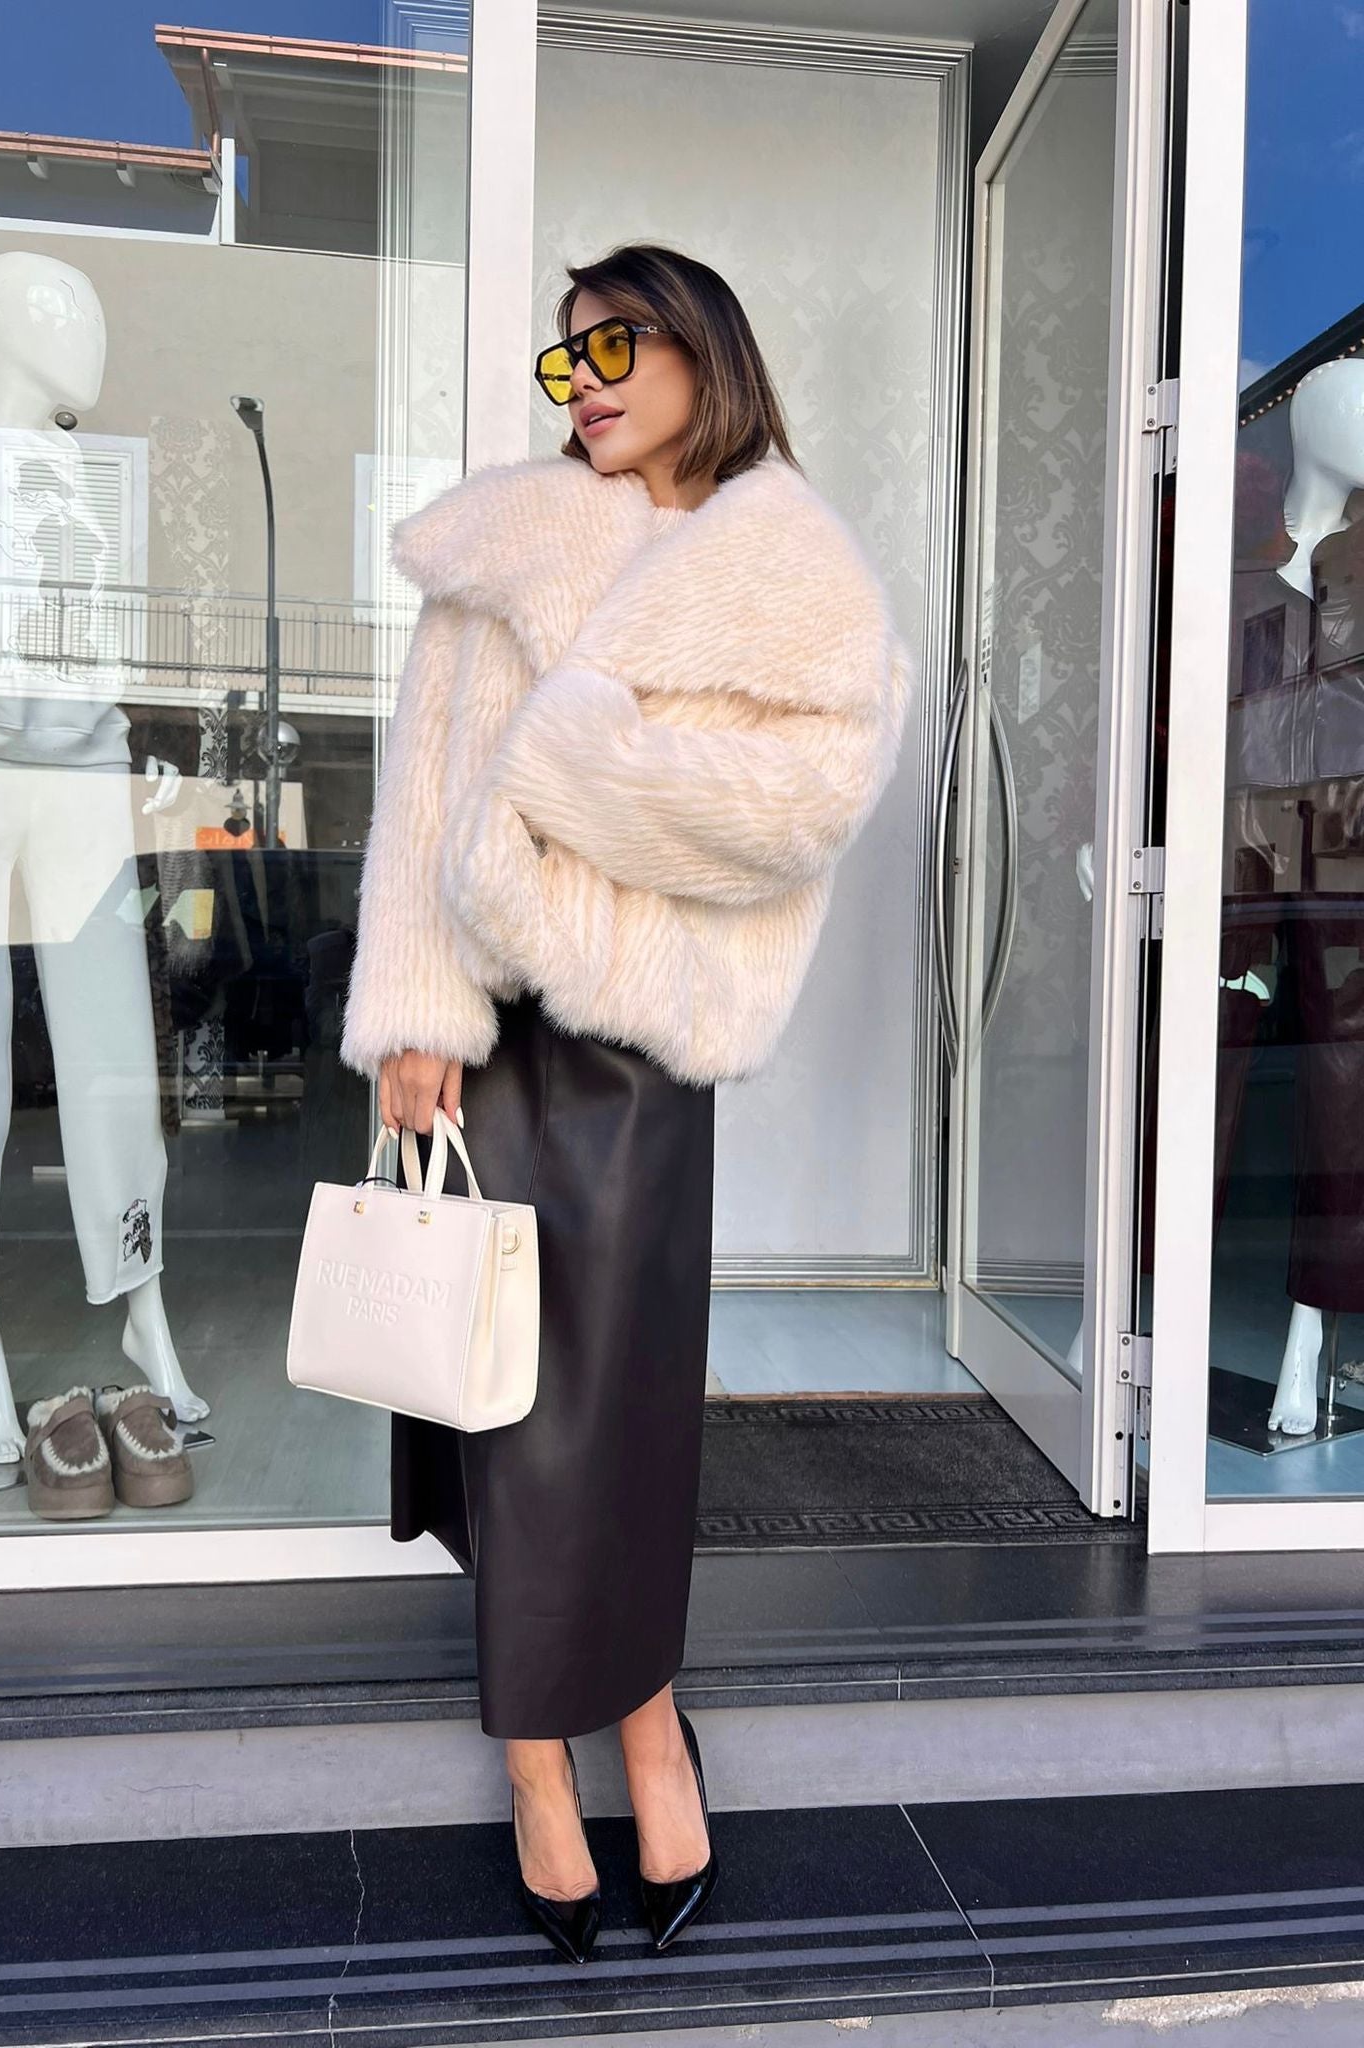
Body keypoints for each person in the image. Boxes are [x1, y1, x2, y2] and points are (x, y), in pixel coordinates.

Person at [340, 242, 912, 1962]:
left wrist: (575, 762)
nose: (581, 382)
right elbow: (425, 787)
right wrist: (417, 1013)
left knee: (628, 1412)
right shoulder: (503, 543)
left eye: (614, 346)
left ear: (702, 352)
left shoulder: (787, 564)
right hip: (487, 1035)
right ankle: (539, 1759)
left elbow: (800, 807)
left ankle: (647, 1715)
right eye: (563, 359)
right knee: (502, 1405)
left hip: (648, 1043)